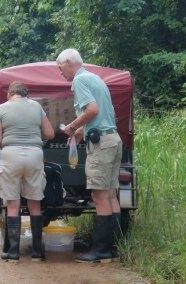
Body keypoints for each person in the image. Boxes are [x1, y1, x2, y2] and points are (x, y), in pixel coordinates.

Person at [56, 49, 123, 263]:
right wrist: (78, 134)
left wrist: (71, 126)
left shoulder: (80, 80)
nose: (60, 73)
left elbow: (92, 110)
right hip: (112, 139)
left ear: (68, 62)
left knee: (99, 196)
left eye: (60, 68)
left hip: (101, 144)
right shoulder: (96, 78)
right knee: (111, 195)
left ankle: (100, 250)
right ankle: (113, 248)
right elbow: (101, 115)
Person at [0, 81, 54, 262]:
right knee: (35, 203)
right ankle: (36, 252)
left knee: (13, 204)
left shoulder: (1, 109)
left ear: (10, 93)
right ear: (27, 94)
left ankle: (13, 253)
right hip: (34, 155)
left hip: (11, 155)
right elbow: (49, 133)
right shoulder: (37, 107)